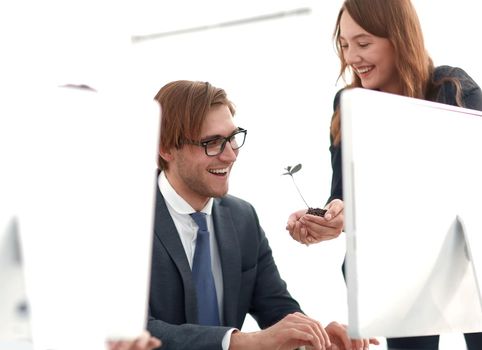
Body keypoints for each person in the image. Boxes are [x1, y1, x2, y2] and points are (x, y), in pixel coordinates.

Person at [286, 0, 482, 349]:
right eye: (345, 45)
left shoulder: (451, 88)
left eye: (363, 43)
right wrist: (330, 218)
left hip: (464, 260)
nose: (351, 57)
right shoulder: (348, 105)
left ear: (400, 38)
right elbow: (343, 195)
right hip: (396, 269)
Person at [148, 80, 379, 350]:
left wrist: (316, 339)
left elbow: (276, 307)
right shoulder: (124, 218)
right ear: (165, 147)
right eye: (212, 143)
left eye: (232, 138)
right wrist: (239, 342)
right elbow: (129, 329)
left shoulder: (242, 218)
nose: (231, 155)